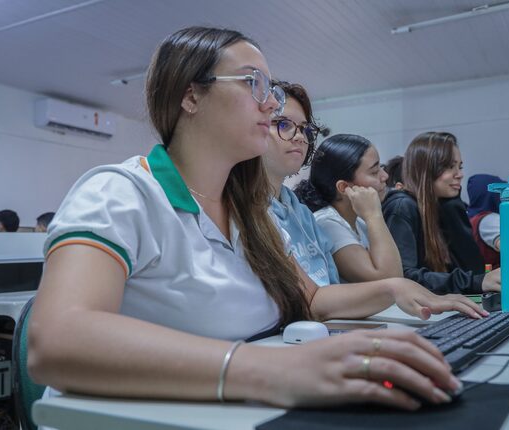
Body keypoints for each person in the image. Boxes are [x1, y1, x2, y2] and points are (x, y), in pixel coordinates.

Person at [28, 27, 482, 411]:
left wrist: (391, 287)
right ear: (191, 95)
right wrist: (270, 370)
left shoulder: (251, 213)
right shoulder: (120, 192)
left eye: (273, 90)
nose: (271, 105)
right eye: (254, 84)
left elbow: (310, 298)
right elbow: (57, 341)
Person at [382, 132, 501, 295]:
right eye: (449, 167)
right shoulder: (402, 207)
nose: (460, 174)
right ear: (426, 169)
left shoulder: (442, 206)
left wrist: (453, 208)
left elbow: (473, 267)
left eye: (460, 166)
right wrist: (474, 282)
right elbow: (405, 277)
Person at [295, 135, 403, 283]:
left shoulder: (358, 221)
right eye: (374, 171)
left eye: (381, 168)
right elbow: (390, 281)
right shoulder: (327, 224)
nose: (385, 176)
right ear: (344, 187)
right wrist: (373, 215)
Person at [262, 81, 339, 286]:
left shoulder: (303, 214)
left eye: (305, 129)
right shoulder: (245, 208)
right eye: (283, 124)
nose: (299, 137)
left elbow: (332, 282)